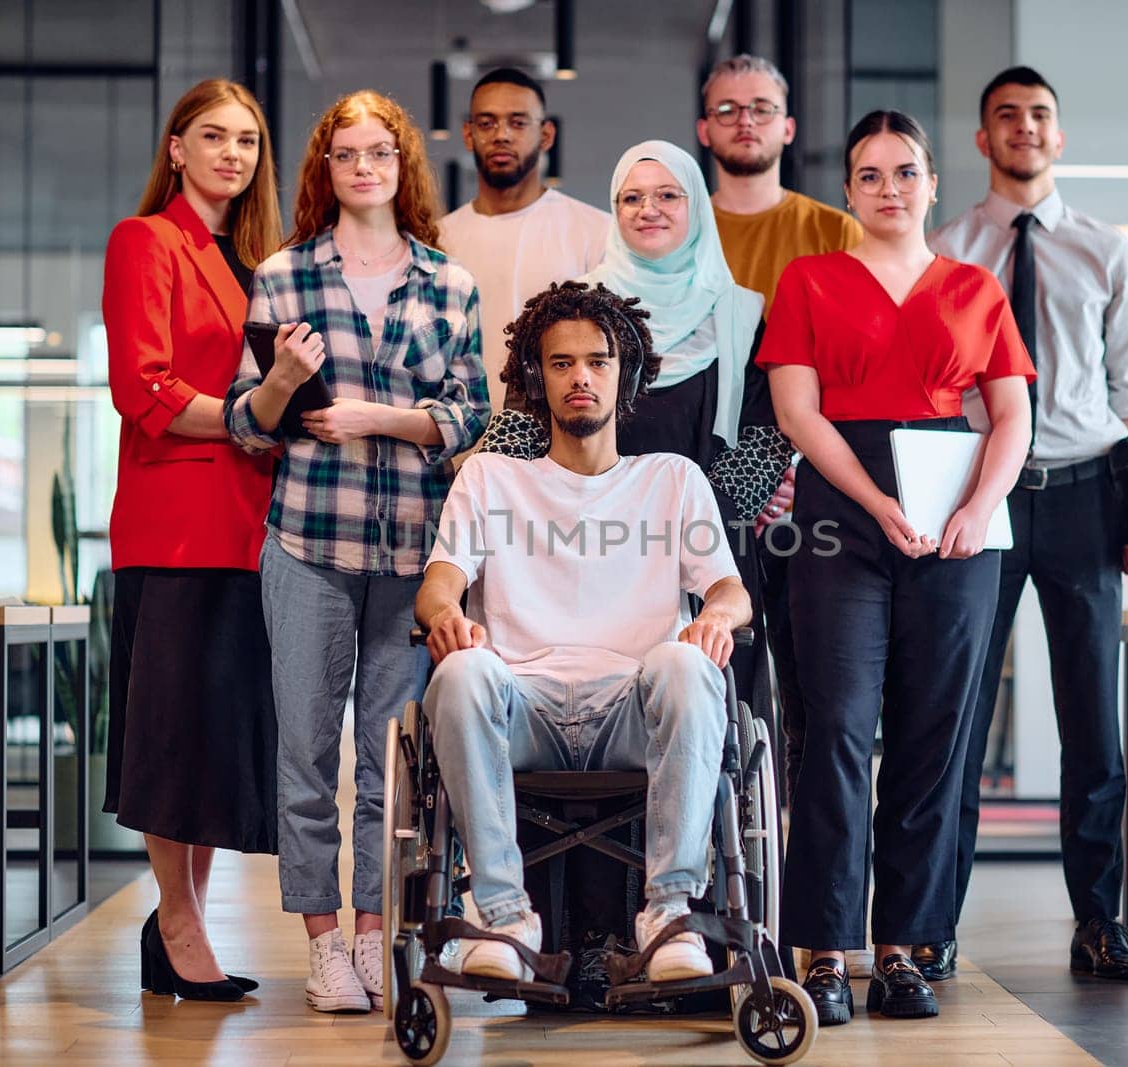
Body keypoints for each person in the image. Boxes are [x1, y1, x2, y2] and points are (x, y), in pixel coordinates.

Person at [762, 109, 1033, 1024]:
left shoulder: (976, 288)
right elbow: (798, 413)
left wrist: (974, 510)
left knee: (931, 740)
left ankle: (904, 947)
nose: (889, 189)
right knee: (835, 731)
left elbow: (1011, 419)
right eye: (870, 175)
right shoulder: (808, 279)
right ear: (847, 190)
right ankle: (826, 949)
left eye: (905, 172)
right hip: (843, 511)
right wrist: (878, 503)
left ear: (931, 183)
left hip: (955, 519)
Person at [223, 89, 488, 1014]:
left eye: (380, 153)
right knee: (304, 754)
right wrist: (282, 383)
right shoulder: (283, 275)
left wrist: (384, 419)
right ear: (324, 169)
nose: (364, 168)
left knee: (390, 760)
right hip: (306, 544)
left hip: (413, 555)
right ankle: (323, 943)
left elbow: (470, 415)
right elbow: (245, 425)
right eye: (346, 155)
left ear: (402, 164)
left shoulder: (448, 283)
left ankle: (375, 937)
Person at [416, 280, 752, 985]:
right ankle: (503, 916)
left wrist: (716, 617)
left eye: (597, 361)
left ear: (623, 373)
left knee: (692, 667)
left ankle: (669, 914)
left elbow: (728, 590)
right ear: (537, 377)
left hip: (631, 705)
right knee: (459, 672)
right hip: (521, 707)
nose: (581, 377)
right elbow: (439, 583)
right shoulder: (488, 479)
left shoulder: (672, 479)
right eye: (562, 362)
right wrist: (446, 614)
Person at [922, 66, 1128, 986]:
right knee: (958, 715)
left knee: (1092, 718)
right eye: (1007, 116)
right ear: (982, 140)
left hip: (1086, 491)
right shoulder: (948, 249)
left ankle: (1099, 920)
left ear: (1060, 137)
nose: (1025, 127)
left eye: (1041, 115)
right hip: (980, 492)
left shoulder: (1107, 250)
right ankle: (931, 921)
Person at [474, 141, 787, 728]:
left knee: (705, 717)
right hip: (578, 537)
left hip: (706, 537)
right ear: (614, 211)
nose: (650, 209)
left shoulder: (742, 313)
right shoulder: (576, 310)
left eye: (669, 195)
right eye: (632, 197)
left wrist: (687, 519)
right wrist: (484, 487)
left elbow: (768, 435)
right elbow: (523, 415)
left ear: (696, 208)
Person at [102, 77, 282, 1004]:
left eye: (247, 141)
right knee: (171, 740)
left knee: (211, 740)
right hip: (175, 528)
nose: (231, 154)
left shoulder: (259, 260)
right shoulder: (148, 240)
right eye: (212, 136)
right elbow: (144, 387)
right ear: (175, 148)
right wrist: (255, 417)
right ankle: (177, 923)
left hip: (249, 529)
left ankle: (184, 923)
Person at [697, 53, 864, 804]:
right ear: (704, 128)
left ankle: (801, 878)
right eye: (728, 109)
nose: (744, 121)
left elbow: (857, 364)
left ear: (788, 127)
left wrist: (796, 464)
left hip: (814, 487)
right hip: (698, 484)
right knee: (713, 680)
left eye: (760, 107)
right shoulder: (673, 223)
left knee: (814, 693)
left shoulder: (837, 233)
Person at [438, 67, 610, 413]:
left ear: (546, 135)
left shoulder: (596, 231)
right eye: (487, 123)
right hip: (459, 449)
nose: (501, 135)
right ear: (468, 135)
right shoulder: (436, 240)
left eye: (518, 123)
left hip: (564, 450)